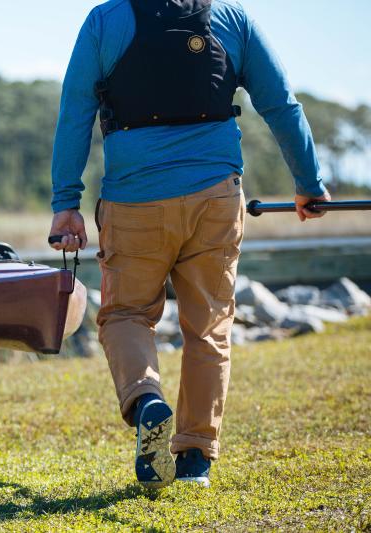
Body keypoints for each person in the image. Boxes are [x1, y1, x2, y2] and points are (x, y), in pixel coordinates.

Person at [49, 0, 330, 488]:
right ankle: (195, 458)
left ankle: (146, 400)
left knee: (126, 315)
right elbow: (281, 103)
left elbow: (75, 111)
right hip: (216, 198)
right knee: (209, 326)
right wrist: (309, 181)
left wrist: (65, 201)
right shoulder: (233, 18)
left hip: (134, 200)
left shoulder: (105, 20)